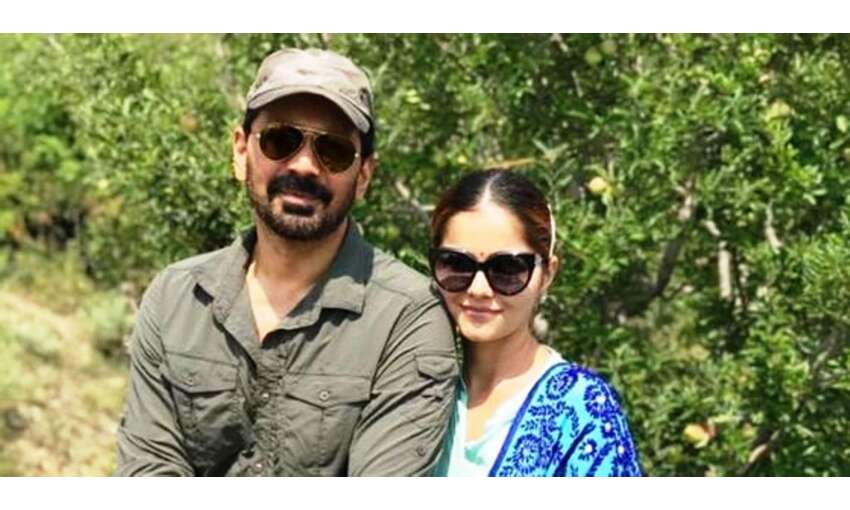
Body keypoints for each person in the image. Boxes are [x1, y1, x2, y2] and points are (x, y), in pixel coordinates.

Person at [115, 48, 458, 476]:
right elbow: (148, 469)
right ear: (241, 151)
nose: (305, 165)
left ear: (364, 176)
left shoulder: (407, 319)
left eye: (333, 150)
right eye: (280, 140)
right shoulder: (176, 298)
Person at [430, 169, 641, 476]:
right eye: (456, 264)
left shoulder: (583, 410)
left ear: (547, 274)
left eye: (507, 269)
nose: (478, 289)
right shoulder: (410, 386)